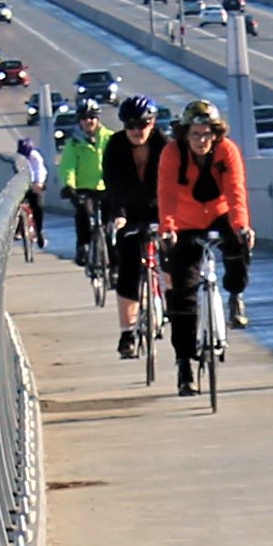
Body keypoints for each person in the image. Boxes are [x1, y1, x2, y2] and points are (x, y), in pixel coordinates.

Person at [157, 99, 254, 396]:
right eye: (195, 134)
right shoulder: (172, 152)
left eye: (206, 134)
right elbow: (167, 194)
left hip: (220, 213)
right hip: (185, 223)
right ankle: (185, 364)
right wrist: (168, 229)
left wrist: (241, 226)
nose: (201, 140)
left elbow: (236, 191)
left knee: (239, 245)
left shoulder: (227, 151)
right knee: (182, 297)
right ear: (185, 134)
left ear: (215, 133)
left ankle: (235, 295)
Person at [102, 95, 163, 359]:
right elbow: (112, 185)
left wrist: (171, 219)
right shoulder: (115, 145)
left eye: (143, 124)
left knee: (175, 258)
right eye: (131, 126)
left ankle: (172, 305)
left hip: (160, 207)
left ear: (153, 123)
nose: (137, 131)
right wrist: (118, 215)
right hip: (127, 209)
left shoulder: (166, 146)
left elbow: (175, 184)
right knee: (128, 268)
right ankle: (127, 332)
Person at [57, 98, 112, 267]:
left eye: (92, 117)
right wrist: (69, 185)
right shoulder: (74, 142)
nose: (89, 121)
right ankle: (83, 247)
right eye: (85, 118)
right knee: (83, 214)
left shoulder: (110, 137)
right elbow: (68, 165)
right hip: (84, 188)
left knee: (113, 223)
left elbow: (119, 162)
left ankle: (115, 262)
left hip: (107, 187)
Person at [17, 137, 48, 248]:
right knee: (14, 206)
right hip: (22, 185)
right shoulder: (17, 158)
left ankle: (39, 231)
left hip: (34, 184)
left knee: (38, 206)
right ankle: (17, 229)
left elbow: (39, 170)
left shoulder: (35, 156)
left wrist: (39, 183)